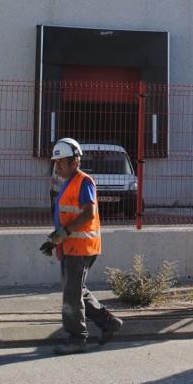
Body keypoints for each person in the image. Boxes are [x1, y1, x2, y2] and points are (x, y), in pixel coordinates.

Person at [40, 137, 123, 354]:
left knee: (71, 294)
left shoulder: (84, 182)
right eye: (55, 163)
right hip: (71, 246)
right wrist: (54, 240)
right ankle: (109, 322)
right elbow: (68, 217)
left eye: (61, 162)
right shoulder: (67, 184)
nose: (57, 166)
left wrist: (64, 232)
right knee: (77, 290)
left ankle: (77, 338)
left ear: (75, 161)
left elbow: (89, 213)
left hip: (81, 247)